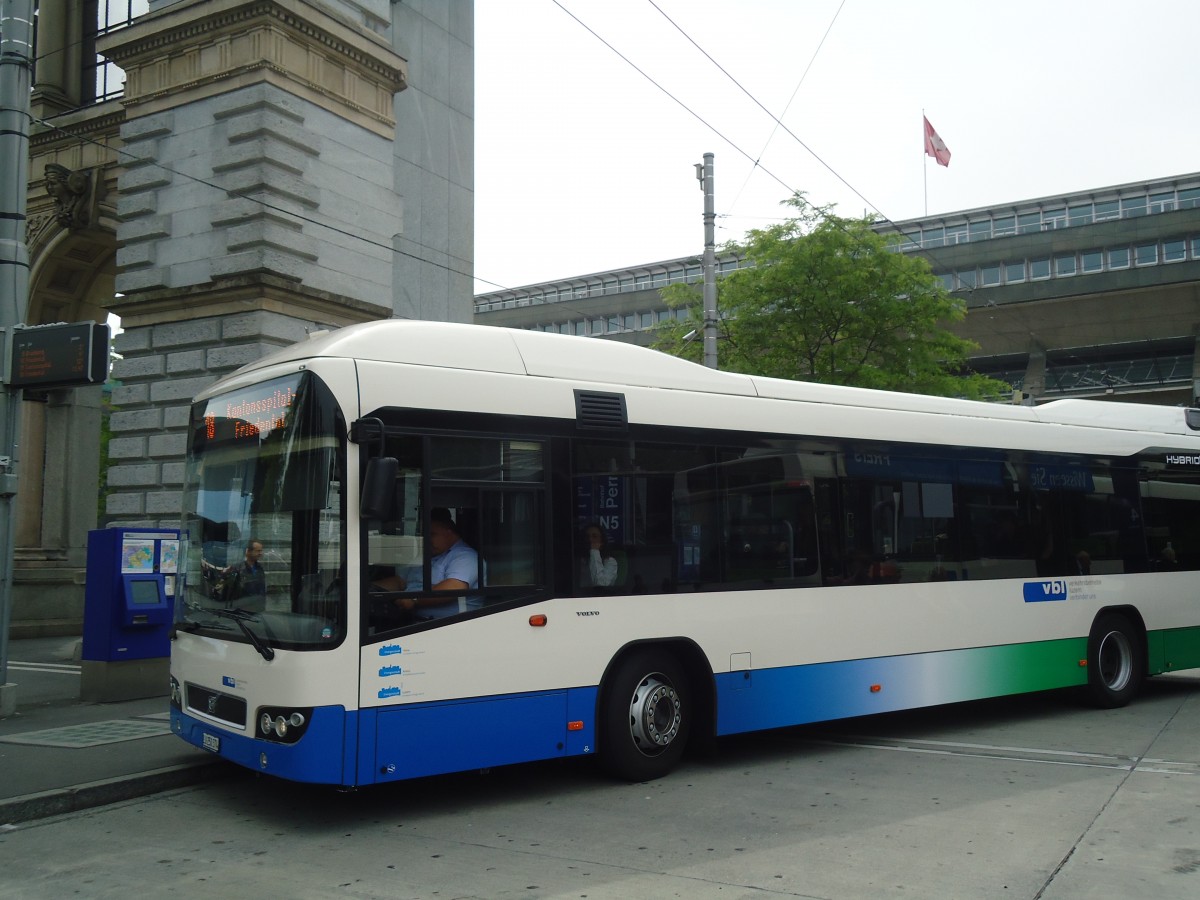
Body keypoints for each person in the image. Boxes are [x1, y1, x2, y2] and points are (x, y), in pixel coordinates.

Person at [372, 509, 480, 619]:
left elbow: (455, 587)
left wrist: (414, 599)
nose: (426, 540)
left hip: (449, 624)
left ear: (449, 533)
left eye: (432, 534)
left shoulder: (466, 557)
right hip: (413, 621)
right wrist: (371, 589)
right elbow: (400, 581)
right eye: (424, 535)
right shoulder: (425, 556)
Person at [224, 538, 266, 610]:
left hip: (257, 609)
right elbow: (229, 593)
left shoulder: (260, 568)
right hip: (242, 610)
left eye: (261, 551)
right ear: (248, 551)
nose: (260, 553)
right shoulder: (237, 569)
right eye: (258, 551)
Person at [580, 523, 620, 589]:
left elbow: (600, 584)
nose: (590, 539)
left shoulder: (610, 561)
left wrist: (594, 551)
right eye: (587, 537)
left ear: (602, 542)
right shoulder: (579, 560)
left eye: (594, 536)